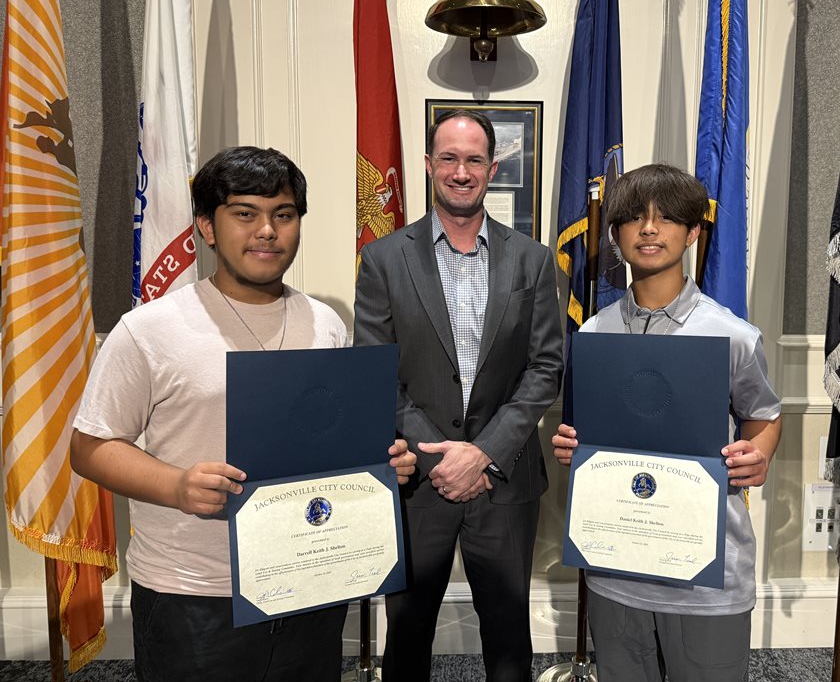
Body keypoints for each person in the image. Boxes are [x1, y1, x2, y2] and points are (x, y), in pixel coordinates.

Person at [70, 146, 416, 682]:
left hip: (310, 577)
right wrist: (176, 485)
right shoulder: (149, 329)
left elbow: (328, 438)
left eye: (284, 214)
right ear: (207, 227)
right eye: (245, 213)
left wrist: (381, 465)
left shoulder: (325, 323)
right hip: (196, 593)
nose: (267, 231)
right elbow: (90, 448)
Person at [354, 110, 563, 682]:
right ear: (429, 164)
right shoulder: (383, 259)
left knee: (509, 638)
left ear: (493, 168)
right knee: (408, 634)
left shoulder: (533, 259)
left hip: (505, 477)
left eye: (474, 159)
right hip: (419, 478)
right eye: (448, 158)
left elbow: (547, 367)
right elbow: (376, 374)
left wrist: (484, 452)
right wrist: (441, 456)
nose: (461, 171)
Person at [552, 164, 782, 682]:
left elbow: (763, 415)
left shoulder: (732, 335)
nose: (649, 229)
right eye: (634, 218)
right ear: (615, 235)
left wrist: (759, 453)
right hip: (616, 568)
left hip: (706, 577)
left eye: (667, 218)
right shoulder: (594, 334)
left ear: (693, 231)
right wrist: (574, 446)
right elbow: (595, 437)